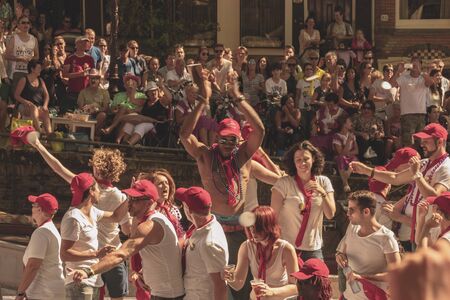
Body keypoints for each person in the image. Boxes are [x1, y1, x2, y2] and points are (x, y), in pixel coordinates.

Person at [179, 72, 264, 300]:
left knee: (241, 285)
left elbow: (260, 131)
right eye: (223, 139)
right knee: (213, 283)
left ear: (239, 140)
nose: (227, 144)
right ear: (217, 137)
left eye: (232, 140)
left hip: (239, 228)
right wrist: (202, 101)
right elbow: (184, 134)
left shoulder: (244, 155)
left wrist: (238, 98)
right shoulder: (205, 155)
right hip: (213, 227)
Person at [29, 138, 132, 300]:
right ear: (116, 171)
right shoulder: (120, 197)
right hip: (113, 252)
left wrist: (39, 145)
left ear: (96, 167)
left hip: (89, 258)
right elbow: (125, 228)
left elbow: (58, 168)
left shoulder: (85, 186)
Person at [71, 179, 185, 300]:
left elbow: (120, 254)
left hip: (167, 296)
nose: (129, 203)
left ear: (149, 202)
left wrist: (88, 271)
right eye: (129, 198)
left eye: (135, 200)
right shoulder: (153, 220)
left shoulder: (149, 226)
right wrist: (143, 273)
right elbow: (162, 255)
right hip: (164, 294)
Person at [350, 123, 450, 251]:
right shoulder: (425, 163)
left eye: (426, 141)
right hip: (418, 230)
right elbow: (395, 178)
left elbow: (435, 197)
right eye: (421, 141)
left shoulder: (446, 167)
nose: (421, 144)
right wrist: (367, 171)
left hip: (432, 232)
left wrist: (417, 176)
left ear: (440, 142)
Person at [60, 173, 129, 300]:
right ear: (91, 191)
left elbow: (116, 217)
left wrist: (130, 196)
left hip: (92, 280)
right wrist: (96, 254)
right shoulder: (73, 218)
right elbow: (64, 254)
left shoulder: (92, 211)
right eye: (97, 188)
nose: (100, 192)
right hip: (78, 281)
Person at [271, 141, 336, 261]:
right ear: (293, 162)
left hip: (313, 249)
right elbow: (272, 216)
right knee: (289, 281)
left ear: (314, 159)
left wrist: (322, 192)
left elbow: (330, 214)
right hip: (287, 247)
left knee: (317, 279)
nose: (302, 163)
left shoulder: (323, 182)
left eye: (306, 159)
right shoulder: (284, 183)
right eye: (298, 159)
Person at [336, 190, 401, 300]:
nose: (347, 213)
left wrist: (363, 277)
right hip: (348, 296)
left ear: (366, 212)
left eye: (351, 210)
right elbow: (341, 253)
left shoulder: (386, 237)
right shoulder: (352, 227)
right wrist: (340, 256)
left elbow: (396, 274)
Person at [225, 206, 299, 299]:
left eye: (258, 227)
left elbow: (296, 287)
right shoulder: (247, 247)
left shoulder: (286, 249)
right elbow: (238, 284)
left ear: (269, 227)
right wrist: (229, 277)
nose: (253, 231)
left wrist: (271, 292)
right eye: (251, 226)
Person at [176, 186, 228, 299]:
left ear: (188, 210)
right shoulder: (202, 228)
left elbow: (220, 285)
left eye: (183, 204)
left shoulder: (210, 243)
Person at [16, 193, 65, 300]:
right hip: (48, 292)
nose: (32, 208)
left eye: (34, 205)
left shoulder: (42, 232)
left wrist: (20, 293)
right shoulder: (49, 229)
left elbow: (33, 266)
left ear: (40, 210)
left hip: (44, 293)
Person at [390, 56, 434, 146]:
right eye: (412, 63)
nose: (413, 65)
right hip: (407, 115)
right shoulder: (404, 77)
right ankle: (409, 159)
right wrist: (398, 71)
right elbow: (391, 84)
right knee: (408, 142)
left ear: (420, 65)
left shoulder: (423, 77)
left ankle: (419, 159)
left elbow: (430, 83)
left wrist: (420, 71)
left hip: (421, 115)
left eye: (416, 63)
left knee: (420, 142)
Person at [115, 80, 172, 145]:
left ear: (158, 91)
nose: (153, 93)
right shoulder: (145, 102)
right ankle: (122, 142)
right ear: (147, 93)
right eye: (151, 91)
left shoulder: (162, 101)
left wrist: (162, 86)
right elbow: (132, 100)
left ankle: (129, 143)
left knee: (141, 126)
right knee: (130, 123)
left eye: (155, 91)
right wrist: (134, 88)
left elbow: (170, 98)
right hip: (143, 121)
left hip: (157, 124)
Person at [14, 59, 52, 135]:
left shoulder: (41, 80)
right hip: (24, 106)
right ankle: (39, 132)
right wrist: (26, 102)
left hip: (38, 106)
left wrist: (45, 105)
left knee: (45, 112)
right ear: (32, 69)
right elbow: (16, 95)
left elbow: (46, 95)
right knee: (33, 108)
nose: (40, 70)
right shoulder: (24, 79)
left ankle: (50, 135)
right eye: (38, 68)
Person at [5, 15, 39, 94]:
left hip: (29, 73)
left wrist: (31, 59)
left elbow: (37, 56)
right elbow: (7, 55)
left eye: (28, 23)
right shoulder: (13, 38)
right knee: (17, 98)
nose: (26, 25)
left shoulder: (34, 39)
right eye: (23, 23)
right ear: (18, 25)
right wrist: (19, 58)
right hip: (15, 73)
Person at [62, 36, 94, 113]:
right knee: (71, 113)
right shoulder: (70, 57)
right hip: (73, 91)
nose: (85, 44)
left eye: (86, 42)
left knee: (85, 114)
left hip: (86, 91)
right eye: (82, 42)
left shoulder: (90, 58)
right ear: (76, 44)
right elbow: (65, 74)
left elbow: (93, 73)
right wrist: (80, 74)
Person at [77, 69, 110, 139]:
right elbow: (80, 107)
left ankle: (92, 134)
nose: (93, 80)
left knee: (102, 115)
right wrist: (88, 109)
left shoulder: (104, 92)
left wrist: (96, 109)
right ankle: (91, 136)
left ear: (99, 80)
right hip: (85, 114)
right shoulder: (83, 92)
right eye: (91, 78)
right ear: (89, 80)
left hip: (98, 114)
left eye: (96, 78)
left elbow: (106, 108)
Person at [310, 92, 345, 157]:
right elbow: (313, 121)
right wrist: (314, 126)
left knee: (329, 140)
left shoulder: (342, 113)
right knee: (314, 139)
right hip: (321, 134)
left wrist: (336, 126)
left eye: (331, 105)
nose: (329, 107)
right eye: (327, 104)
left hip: (334, 136)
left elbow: (345, 127)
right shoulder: (322, 111)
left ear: (336, 104)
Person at [352, 100, 386, 164]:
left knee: (380, 143)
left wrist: (378, 134)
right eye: (364, 108)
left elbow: (382, 133)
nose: (366, 110)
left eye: (369, 108)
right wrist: (361, 133)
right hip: (360, 138)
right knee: (363, 142)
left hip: (373, 139)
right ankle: (361, 162)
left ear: (373, 110)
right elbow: (351, 130)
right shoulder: (357, 117)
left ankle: (381, 164)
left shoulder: (377, 119)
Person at [333, 114, 358, 193]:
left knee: (355, 159)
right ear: (344, 124)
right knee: (341, 158)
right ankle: (345, 183)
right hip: (341, 158)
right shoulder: (337, 136)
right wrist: (348, 141)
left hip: (350, 157)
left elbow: (357, 151)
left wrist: (348, 153)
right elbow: (341, 153)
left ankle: (346, 175)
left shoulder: (352, 135)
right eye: (350, 122)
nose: (351, 123)